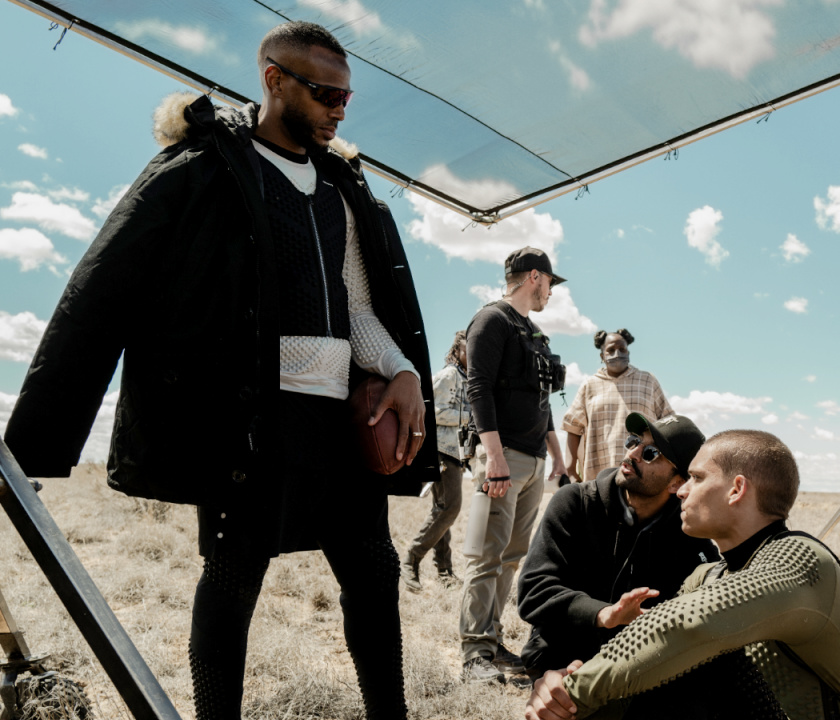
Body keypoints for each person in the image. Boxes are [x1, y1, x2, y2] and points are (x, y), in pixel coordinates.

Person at [3, 22, 435, 719]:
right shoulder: (206, 170)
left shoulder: (339, 188)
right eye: (326, 92)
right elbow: (103, 289)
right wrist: (35, 443)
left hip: (336, 420)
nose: (339, 109)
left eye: (347, 97)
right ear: (273, 79)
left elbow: (357, 306)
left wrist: (402, 370)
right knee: (232, 578)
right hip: (251, 421)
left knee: (375, 571)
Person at [524, 429, 840, 720]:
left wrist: (575, 692)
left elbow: (685, 627)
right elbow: (650, 656)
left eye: (695, 478)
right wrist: (561, 693)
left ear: (737, 489)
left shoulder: (799, 561)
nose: (680, 490)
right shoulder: (709, 575)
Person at [517, 412, 719, 677]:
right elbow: (534, 592)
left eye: (651, 453)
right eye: (634, 441)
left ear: (677, 483)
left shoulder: (688, 532)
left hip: (637, 668)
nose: (633, 453)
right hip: (561, 657)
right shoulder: (575, 502)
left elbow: (708, 605)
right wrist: (603, 614)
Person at [460, 246, 570, 685]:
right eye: (549, 283)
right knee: (487, 555)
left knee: (511, 558)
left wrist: (558, 455)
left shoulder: (535, 333)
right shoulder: (492, 320)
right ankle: (474, 655)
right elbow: (478, 387)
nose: (550, 293)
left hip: (533, 460)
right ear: (534, 278)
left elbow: (541, 401)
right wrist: (496, 458)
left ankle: (492, 640)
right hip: (501, 458)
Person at [403, 330, 472, 591]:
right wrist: (470, 416)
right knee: (450, 508)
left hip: (456, 451)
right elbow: (429, 409)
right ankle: (411, 557)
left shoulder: (468, 378)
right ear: (457, 352)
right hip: (442, 451)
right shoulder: (448, 376)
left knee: (441, 509)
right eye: (468, 350)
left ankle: (444, 571)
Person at [562, 330, 674, 484]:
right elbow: (573, 427)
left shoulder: (647, 381)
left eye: (622, 349)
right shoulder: (590, 385)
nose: (617, 353)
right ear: (602, 356)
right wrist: (571, 470)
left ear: (628, 352)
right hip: (599, 474)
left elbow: (668, 422)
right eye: (611, 350)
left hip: (643, 470)